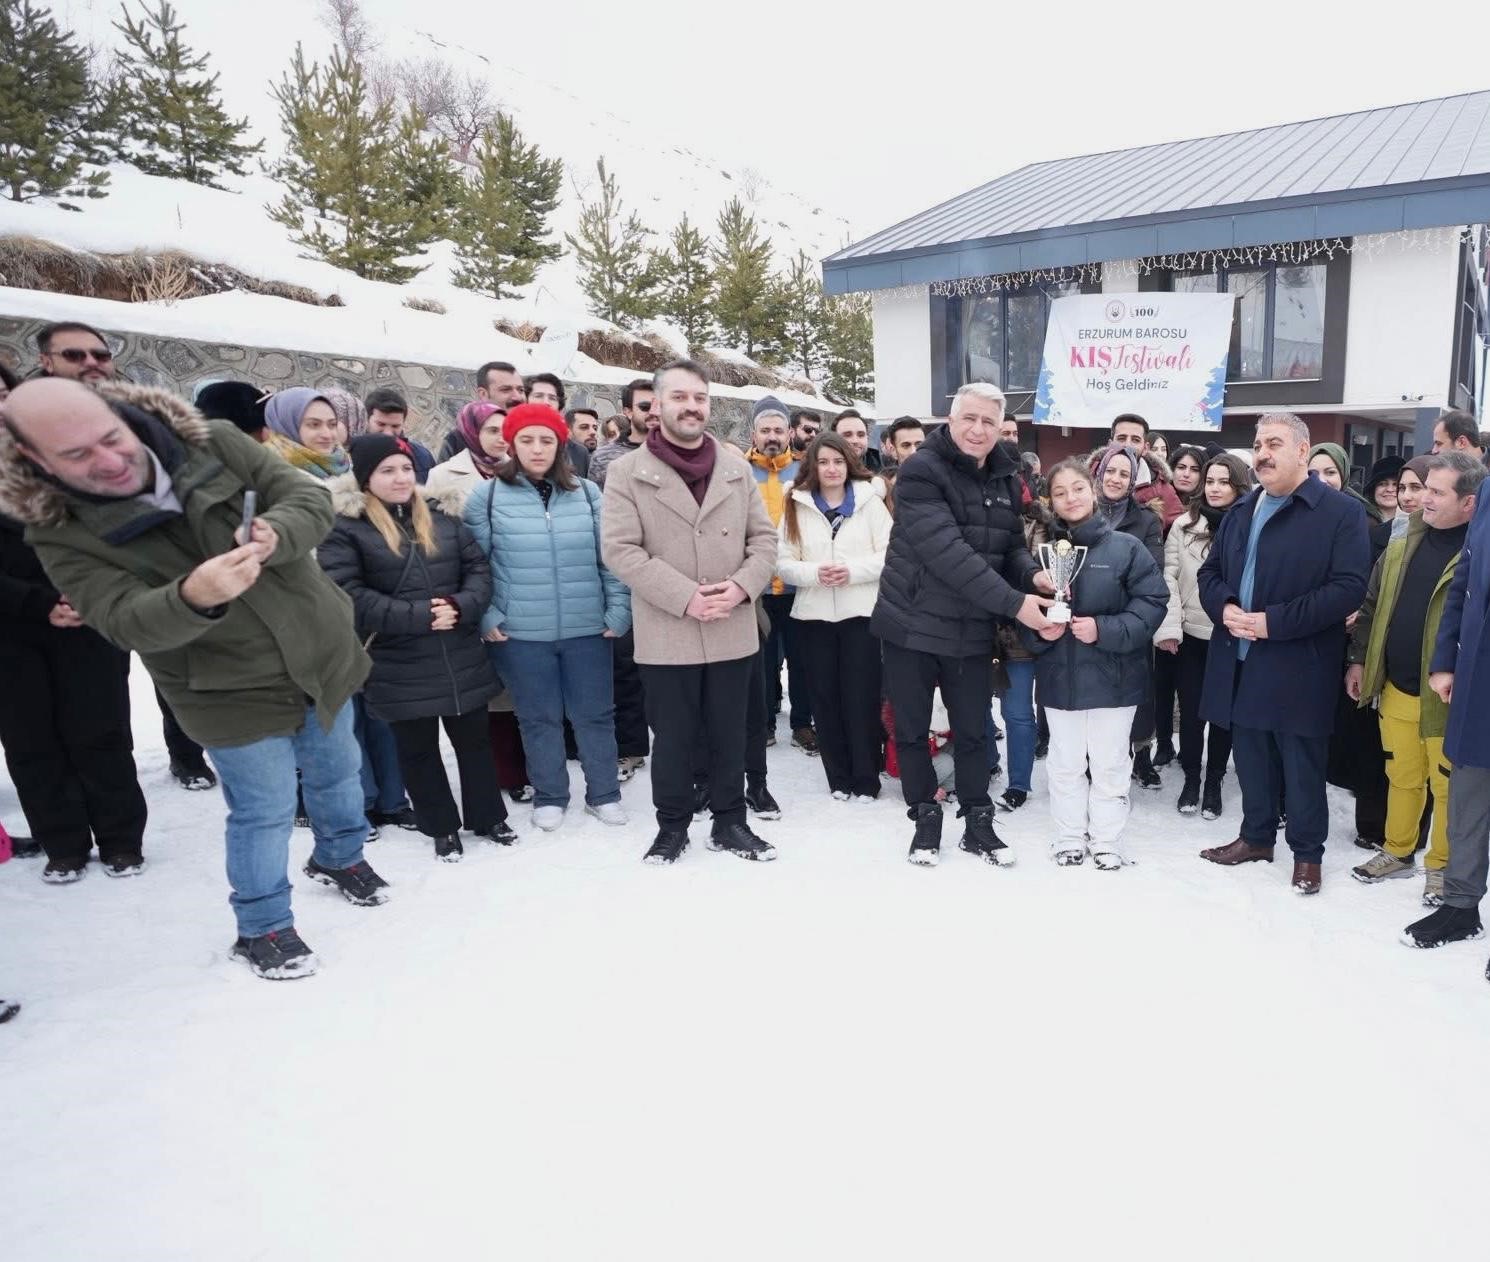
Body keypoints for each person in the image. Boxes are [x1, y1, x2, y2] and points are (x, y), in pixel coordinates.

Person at [0, 378, 388, 980]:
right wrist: (192, 597)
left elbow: (306, 498)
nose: (108, 460)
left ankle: (340, 857)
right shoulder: (56, 530)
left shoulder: (213, 440)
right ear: (33, 458)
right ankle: (263, 925)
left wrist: (278, 532)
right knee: (264, 810)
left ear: (121, 414)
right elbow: (120, 619)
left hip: (318, 652)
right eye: (76, 456)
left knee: (339, 771)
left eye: (110, 438)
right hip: (224, 686)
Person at [602, 359, 778, 864]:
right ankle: (672, 826)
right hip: (667, 628)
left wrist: (742, 588)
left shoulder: (734, 468)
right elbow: (620, 549)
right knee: (675, 739)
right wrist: (685, 596)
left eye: (699, 398)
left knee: (730, 733)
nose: (691, 406)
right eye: (680, 397)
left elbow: (764, 541)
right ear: (656, 407)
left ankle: (730, 823)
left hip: (731, 624)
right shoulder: (625, 472)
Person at [871, 381, 1054, 866]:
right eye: (968, 418)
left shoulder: (1007, 476)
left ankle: (978, 822)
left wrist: (1033, 574)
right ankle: (925, 819)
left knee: (974, 730)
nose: (978, 429)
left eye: (988, 421)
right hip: (910, 623)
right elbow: (947, 553)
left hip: (970, 626)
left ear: (1000, 428)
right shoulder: (920, 472)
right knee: (911, 731)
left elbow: (1009, 545)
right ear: (950, 421)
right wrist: (1017, 604)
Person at [1197, 412, 1370, 895]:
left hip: (1299, 662)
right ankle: (1255, 838)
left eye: (1274, 443)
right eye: (1257, 444)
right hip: (1239, 657)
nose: (1262, 453)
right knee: (1250, 756)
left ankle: (1307, 855)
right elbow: (1209, 575)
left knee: (1301, 763)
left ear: (1302, 450)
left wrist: (1274, 622)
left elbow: (1348, 589)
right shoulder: (1241, 511)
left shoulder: (1339, 513)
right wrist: (1225, 607)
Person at [319, 435, 513, 861]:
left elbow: (478, 569)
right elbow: (349, 594)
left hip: (458, 649)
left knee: (474, 741)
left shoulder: (443, 517)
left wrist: (460, 607)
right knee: (418, 749)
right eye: (387, 470)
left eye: (405, 468)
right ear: (366, 477)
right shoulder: (345, 528)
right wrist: (423, 615)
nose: (400, 477)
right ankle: (441, 826)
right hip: (397, 658)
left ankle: (488, 816)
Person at [467, 403, 631, 832]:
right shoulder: (487, 497)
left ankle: (604, 793)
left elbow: (609, 559)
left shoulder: (588, 494)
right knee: (537, 717)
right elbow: (474, 565)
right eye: (527, 439)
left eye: (546, 440)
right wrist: (487, 616)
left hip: (587, 628)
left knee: (595, 715)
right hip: (521, 632)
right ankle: (551, 794)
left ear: (560, 444)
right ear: (513, 444)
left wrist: (618, 609)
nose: (537, 449)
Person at [1348, 453, 1483, 904]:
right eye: (1425, 488)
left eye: (1436, 492)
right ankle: (1398, 851)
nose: (1423, 498)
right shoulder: (1402, 544)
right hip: (1395, 687)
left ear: (1469, 503)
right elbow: (1370, 607)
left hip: (1445, 697)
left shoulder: (1478, 555)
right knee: (1401, 774)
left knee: (1446, 786)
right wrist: (1361, 661)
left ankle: (1443, 868)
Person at [1025, 459, 1168, 867]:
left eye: (1077, 488)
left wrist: (1104, 629)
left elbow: (1153, 602)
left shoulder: (1126, 547)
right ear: (1050, 500)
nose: (1070, 498)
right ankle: (1069, 835)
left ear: (1093, 490)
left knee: (1109, 764)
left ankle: (1107, 838)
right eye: (1060, 492)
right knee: (1065, 763)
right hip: (1060, 676)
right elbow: (1023, 613)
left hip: (1114, 676)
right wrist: (1040, 630)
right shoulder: (1043, 554)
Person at [0, 499, 148, 882]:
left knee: (100, 728)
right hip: (9, 629)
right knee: (29, 740)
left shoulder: (74, 467)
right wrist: (36, 603)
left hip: (86, 614)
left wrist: (94, 594)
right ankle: (63, 845)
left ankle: (121, 839)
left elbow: (119, 538)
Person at [1404, 456, 1490, 952]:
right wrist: (1444, 661)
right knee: (1468, 801)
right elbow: (1464, 585)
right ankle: (1460, 906)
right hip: (1478, 684)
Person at [777, 432, 893, 801]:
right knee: (824, 699)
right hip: (813, 617)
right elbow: (783, 561)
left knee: (861, 697)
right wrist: (814, 574)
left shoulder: (870, 502)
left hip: (861, 613)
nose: (831, 468)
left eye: (838, 461)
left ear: (849, 464)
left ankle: (866, 778)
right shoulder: (795, 503)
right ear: (812, 465)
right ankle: (838, 779)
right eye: (823, 461)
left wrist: (851, 570)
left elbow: (890, 554)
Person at [1157, 453, 1250, 818]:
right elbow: (1169, 578)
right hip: (1191, 634)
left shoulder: (1250, 525)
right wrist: (1170, 627)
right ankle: (1192, 779)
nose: (1214, 488)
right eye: (1210, 480)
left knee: (1223, 715)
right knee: (1193, 711)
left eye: (1223, 481)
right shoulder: (1183, 525)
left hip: (1231, 635)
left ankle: (1214, 782)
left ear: (1238, 485)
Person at [1090, 443, 1165, 789]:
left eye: (1124, 473)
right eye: (1111, 471)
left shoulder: (1146, 520)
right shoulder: (1081, 512)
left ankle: (1141, 756)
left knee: (1135, 695)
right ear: (1098, 472)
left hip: (1128, 622)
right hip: (1086, 624)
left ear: (1134, 480)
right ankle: (1093, 761)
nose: (1116, 479)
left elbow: (1152, 572)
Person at [748, 395, 815, 754]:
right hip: (757, 587)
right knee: (761, 661)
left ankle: (803, 724)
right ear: (754, 433)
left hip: (797, 585)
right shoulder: (740, 472)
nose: (771, 436)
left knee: (802, 661)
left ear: (790, 432)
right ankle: (764, 723)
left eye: (778, 429)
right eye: (765, 430)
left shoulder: (806, 473)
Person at [439, 361, 526, 461]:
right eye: (506, 389)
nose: (517, 397)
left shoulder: (533, 435)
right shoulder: (458, 441)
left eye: (521, 390)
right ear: (483, 394)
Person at [262, 387, 351, 480]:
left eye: (332, 424)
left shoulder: (344, 464)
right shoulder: (268, 471)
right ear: (287, 425)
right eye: (314, 424)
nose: (327, 435)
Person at [589, 379, 656, 489]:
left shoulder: (678, 453)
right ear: (628, 412)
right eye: (645, 407)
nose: (654, 412)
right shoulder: (602, 457)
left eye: (659, 406)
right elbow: (599, 503)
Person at [523, 373, 590, 477]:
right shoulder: (509, 445)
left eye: (552, 398)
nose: (546, 402)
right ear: (525, 400)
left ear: (560, 405)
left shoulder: (579, 452)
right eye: (538, 396)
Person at [362, 388, 436, 481]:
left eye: (395, 426)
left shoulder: (422, 457)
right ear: (366, 420)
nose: (388, 433)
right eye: (381, 424)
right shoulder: (350, 457)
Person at [1372, 456, 1431, 561]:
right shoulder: (1375, 534)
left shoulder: (1452, 535)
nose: (1406, 497)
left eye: (1416, 487)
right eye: (1402, 488)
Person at [34, 322, 117, 385]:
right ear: (47, 363)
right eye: (74, 355)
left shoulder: (128, 402)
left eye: (101, 355)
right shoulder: (25, 405)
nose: (92, 362)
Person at [1365, 455, 1404, 525]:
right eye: (1382, 484)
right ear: (1373, 489)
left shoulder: (1416, 523)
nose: (1389, 489)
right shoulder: (1360, 520)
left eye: (1395, 484)